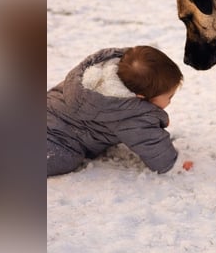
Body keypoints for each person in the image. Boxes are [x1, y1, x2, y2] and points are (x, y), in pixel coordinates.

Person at [47, 46, 191, 176]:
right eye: (169, 97)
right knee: (66, 158)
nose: (170, 101)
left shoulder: (94, 76)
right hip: (58, 140)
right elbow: (153, 145)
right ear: (142, 97)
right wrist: (173, 165)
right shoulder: (131, 116)